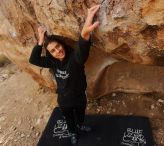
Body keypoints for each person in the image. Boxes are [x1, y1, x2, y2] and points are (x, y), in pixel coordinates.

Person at [29, 5, 100, 145]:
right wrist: (41, 41)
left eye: (58, 46)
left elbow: (82, 45)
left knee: (80, 115)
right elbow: (33, 60)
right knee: (69, 119)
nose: (57, 51)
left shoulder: (75, 59)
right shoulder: (52, 62)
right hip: (64, 99)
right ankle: (73, 132)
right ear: (50, 54)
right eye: (53, 51)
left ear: (62, 44)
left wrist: (85, 30)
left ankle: (80, 125)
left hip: (79, 96)